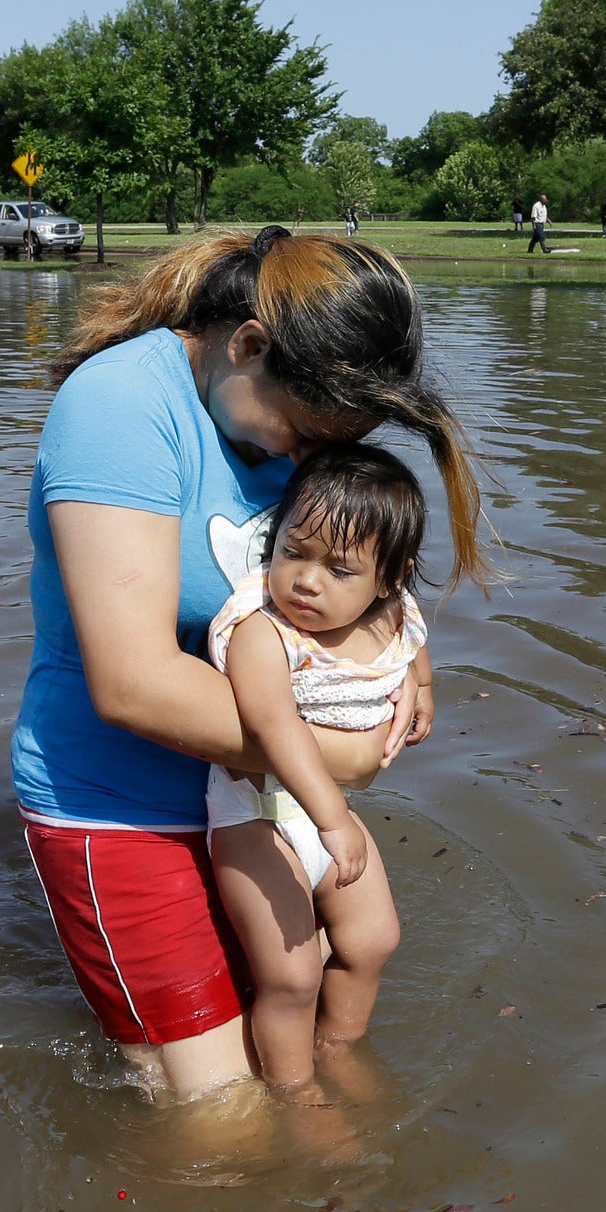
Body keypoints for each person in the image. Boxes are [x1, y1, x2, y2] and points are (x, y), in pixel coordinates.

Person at [12, 224, 497, 1100]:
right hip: (122, 806)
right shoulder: (123, 406)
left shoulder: (272, 421)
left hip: (250, 798)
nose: (307, 462)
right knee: (221, 1116)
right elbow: (132, 683)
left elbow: (354, 574)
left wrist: (407, 668)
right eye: (306, 432)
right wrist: (338, 757)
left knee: (307, 1023)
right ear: (247, 347)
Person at [206, 444, 430, 1098]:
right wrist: (334, 819)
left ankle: (338, 1047)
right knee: (293, 975)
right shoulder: (263, 630)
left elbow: (414, 652)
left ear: (390, 579)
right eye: (294, 551)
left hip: (319, 810)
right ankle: (295, 1090)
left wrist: (424, 690)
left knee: (375, 938)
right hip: (255, 815)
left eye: (339, 568)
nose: (307, 580)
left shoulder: (391, 614)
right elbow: (275, 725)